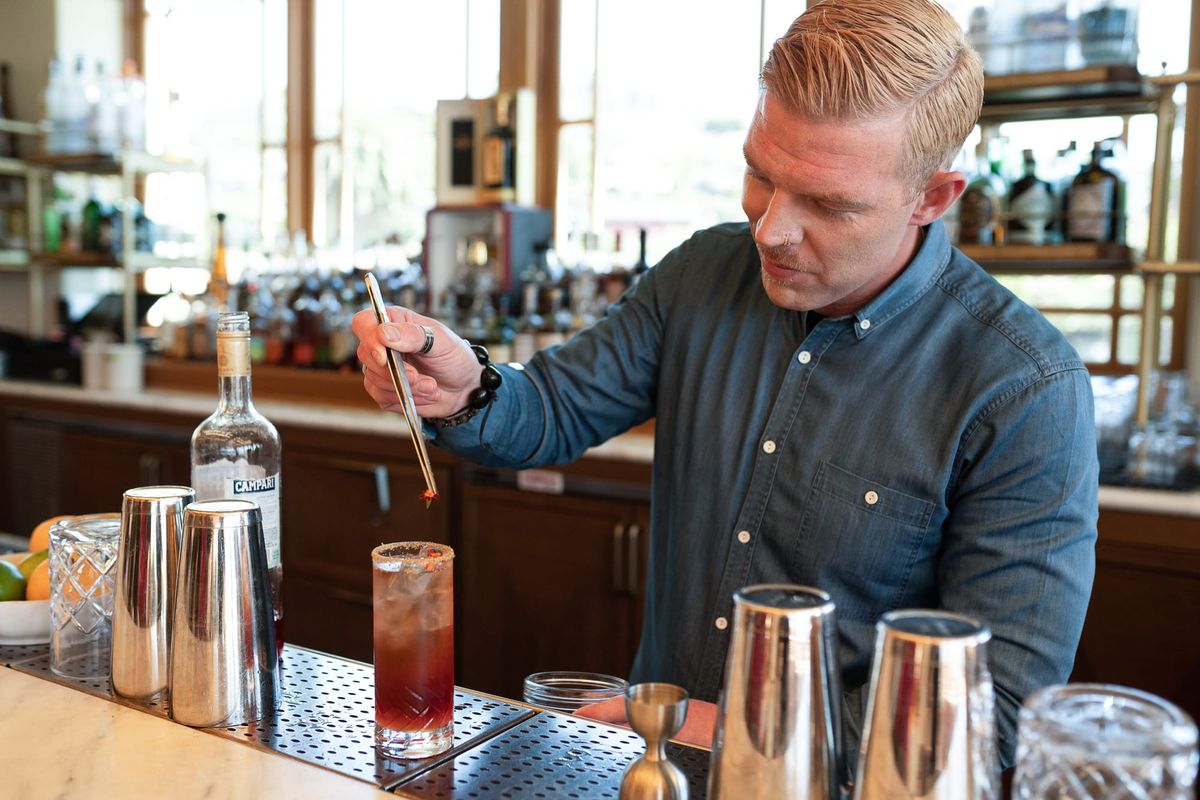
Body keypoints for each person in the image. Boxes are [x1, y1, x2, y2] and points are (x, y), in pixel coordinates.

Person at [353, 0, 1097, 770]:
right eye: (759, 173)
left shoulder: (1024, 390)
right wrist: (463, 383)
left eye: (828, 204)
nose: (770, 228)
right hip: (656, 775)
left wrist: (721, 729)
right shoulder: (704, 274)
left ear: (933, 197)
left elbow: (998, 713)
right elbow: (554, 406)